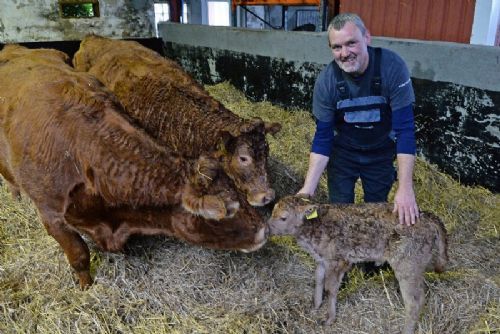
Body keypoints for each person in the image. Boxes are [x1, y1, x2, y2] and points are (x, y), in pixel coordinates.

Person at [298, 13, 419, 226]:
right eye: (337, 47)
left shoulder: (392, 68)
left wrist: (405, 188)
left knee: (376, 211)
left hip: (380, 153)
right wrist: (308, 189)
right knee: (340, 213)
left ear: (367, 38)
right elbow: (323, 138)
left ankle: (372, 259)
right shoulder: (327, 82)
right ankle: (345, 258)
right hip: (343, 154)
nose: (344, 53)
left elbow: (405, 130)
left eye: (351, 43)